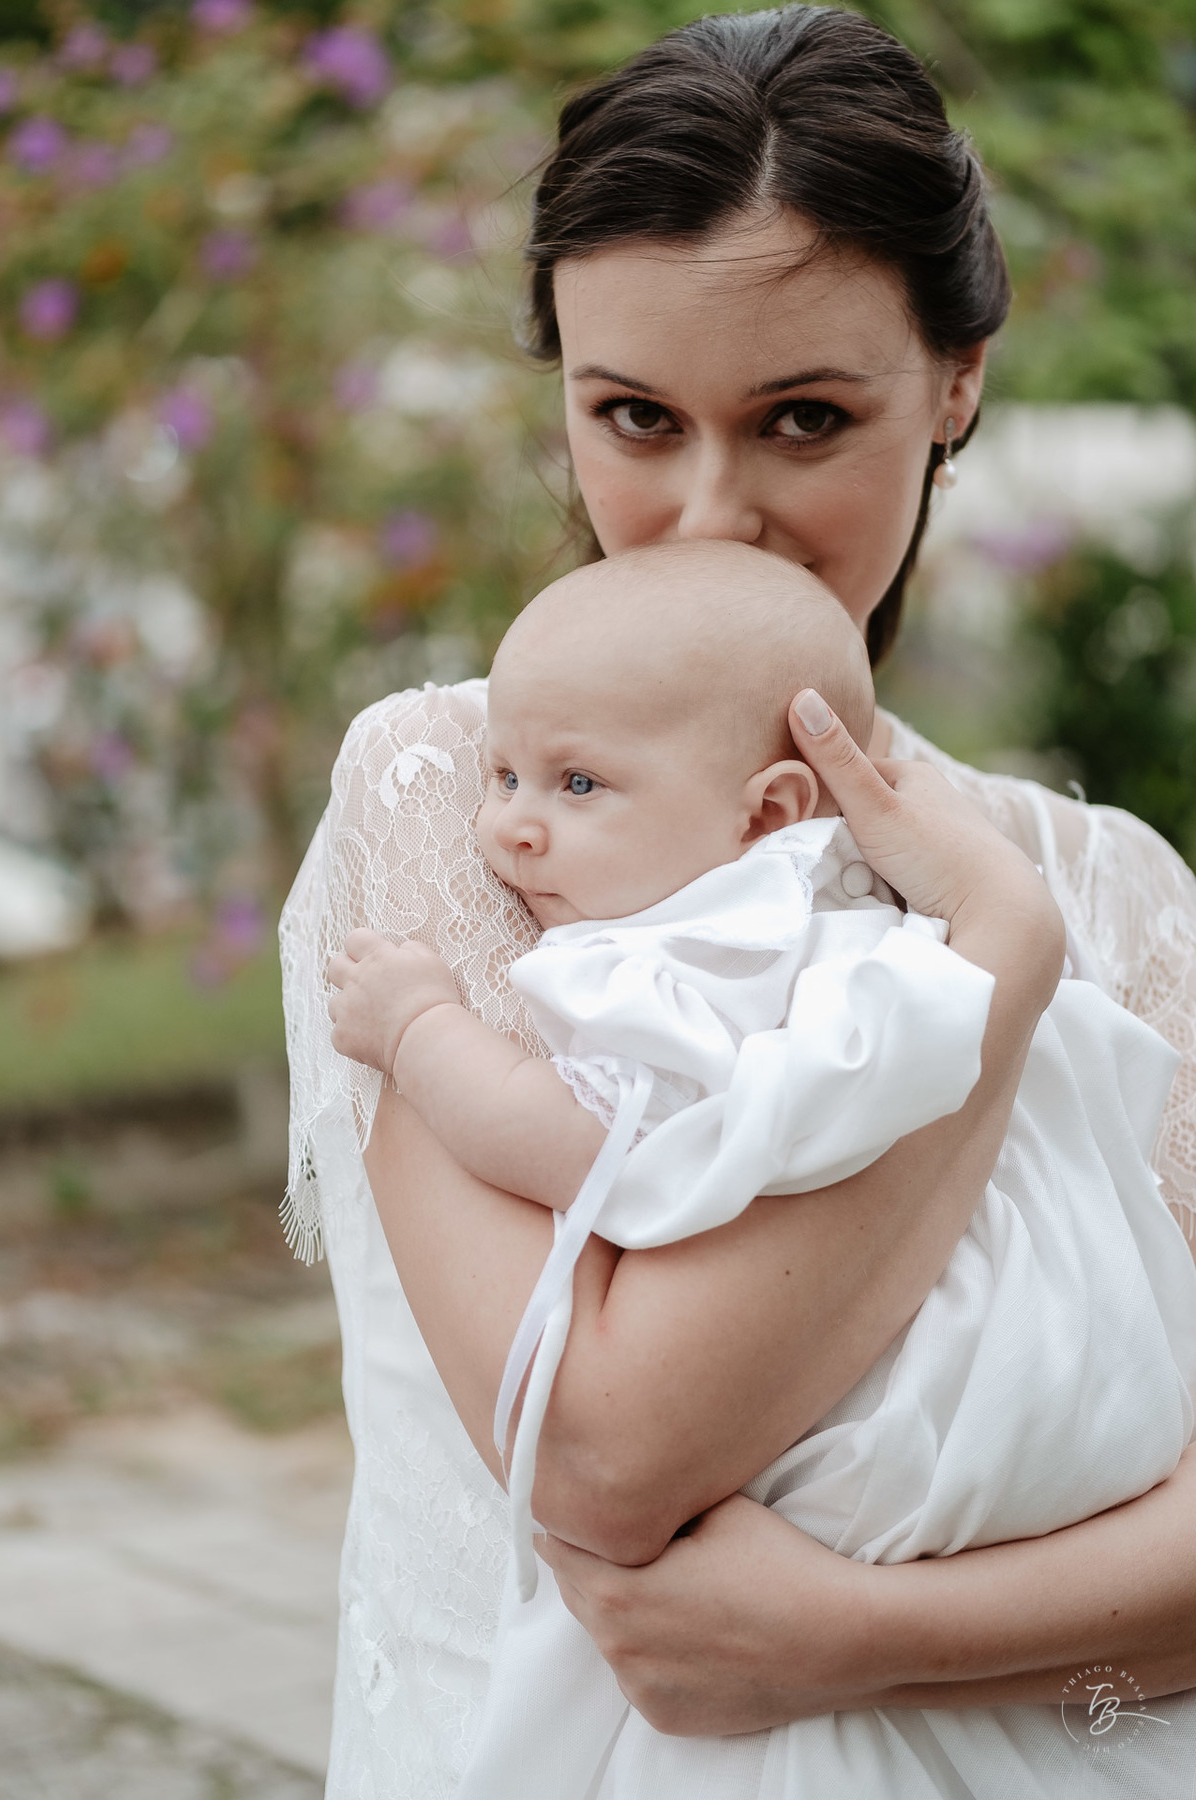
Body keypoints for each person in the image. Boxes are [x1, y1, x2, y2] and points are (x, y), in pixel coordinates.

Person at [278, 9, 1196, 1797]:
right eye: (634, 415)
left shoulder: (1121, 900)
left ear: (961, 382)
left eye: (804, 419)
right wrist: (992, 990)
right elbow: (608, 1456)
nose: (710, 514)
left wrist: (861, 1647)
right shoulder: (466, 808)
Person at [322, 539, 1196, 1795]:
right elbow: (598, 1461)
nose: (509, 824)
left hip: (920, 1480)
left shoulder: (700, 950)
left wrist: (419, 1034)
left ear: (771, 812)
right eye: (505, 773)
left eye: (575, 784)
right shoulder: (462, 794)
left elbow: (605, 1155)